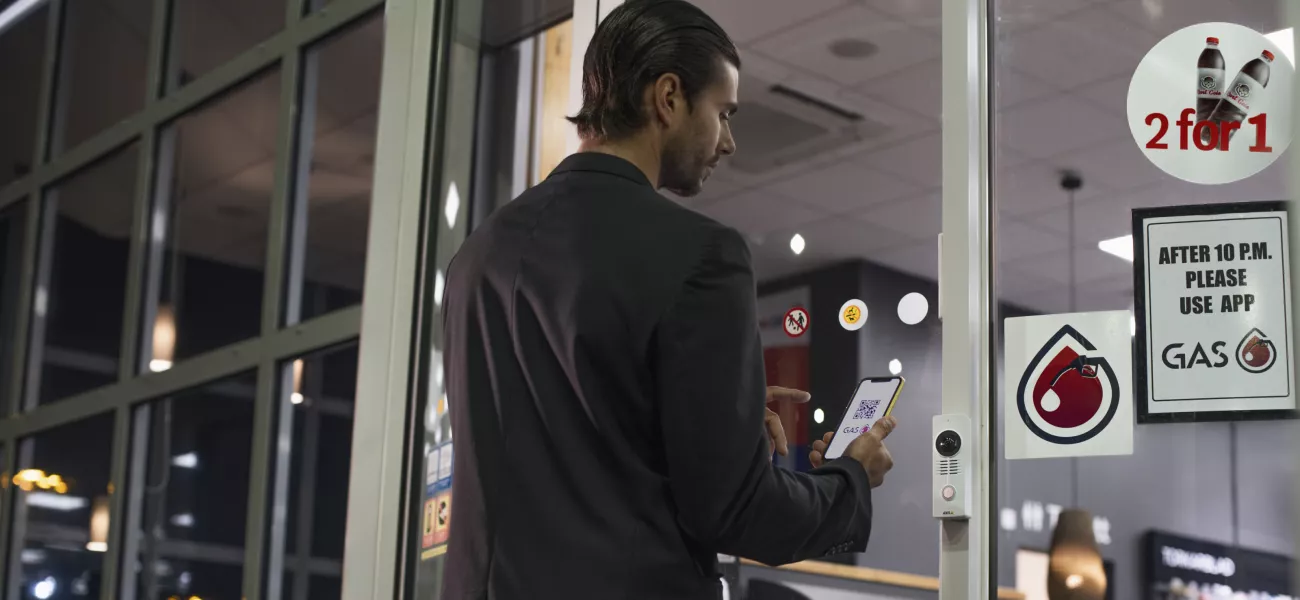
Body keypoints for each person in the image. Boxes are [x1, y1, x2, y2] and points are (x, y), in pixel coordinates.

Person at [441, 1, 896, 598]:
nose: (728, 141)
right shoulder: (701, 254)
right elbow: (737, 513)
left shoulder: (476, 255)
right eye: (723, 112)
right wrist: (851, 481)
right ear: (669, 97)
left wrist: (710, 424)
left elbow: (564, 443)